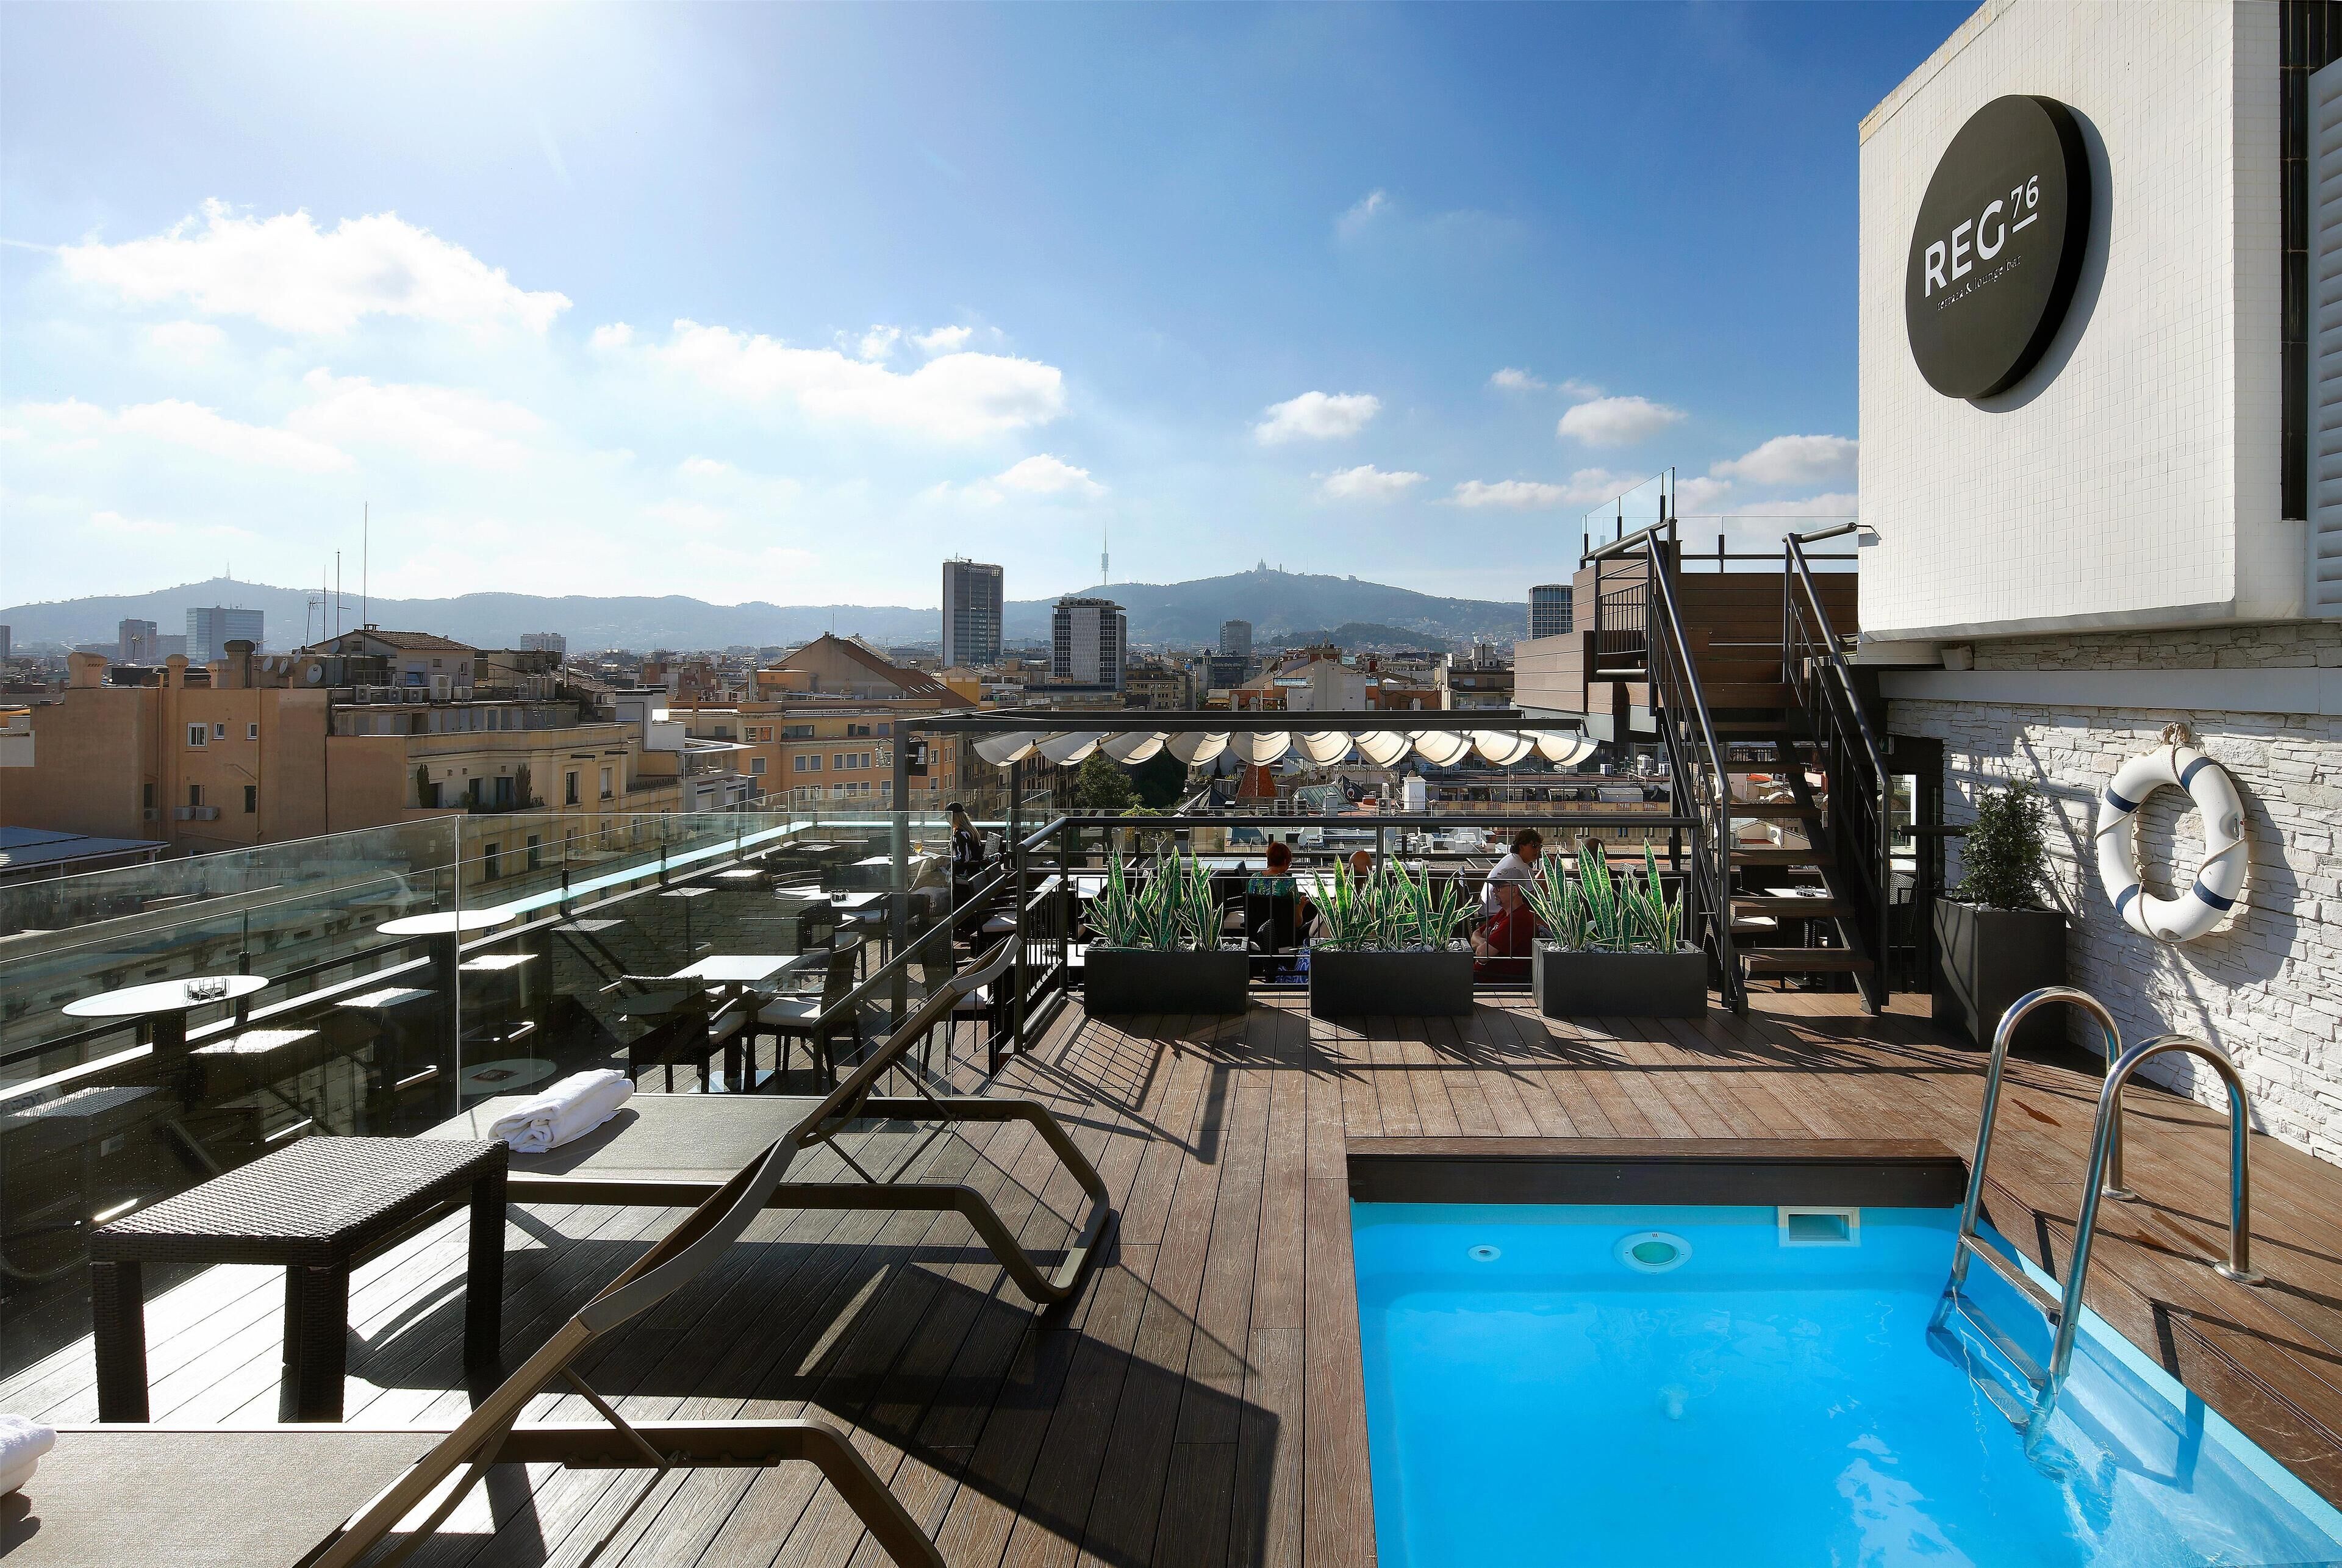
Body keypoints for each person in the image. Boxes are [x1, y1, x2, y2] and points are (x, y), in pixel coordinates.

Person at [1472, 878, 1537, 981]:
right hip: (1481, 975)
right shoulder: (1505, 912)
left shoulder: (1517, 920)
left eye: (1499, 887)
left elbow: (1482, 955)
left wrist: (1484, 942)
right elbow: (1475, 934)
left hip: (1493, 980)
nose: (1494, 891)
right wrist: (1485, 942)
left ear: (1514, 891)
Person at [1480, 828, 1544, 916]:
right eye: (1534, 846)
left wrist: (1544, 872)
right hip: (1496, 916)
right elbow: (1534, 902)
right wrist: (1548, 876)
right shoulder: (1523, 869)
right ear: (1522, 846)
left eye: (1540, 846)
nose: (1538, 850)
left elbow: (1530, 886)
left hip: (1485, 912)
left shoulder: (1510, 857)